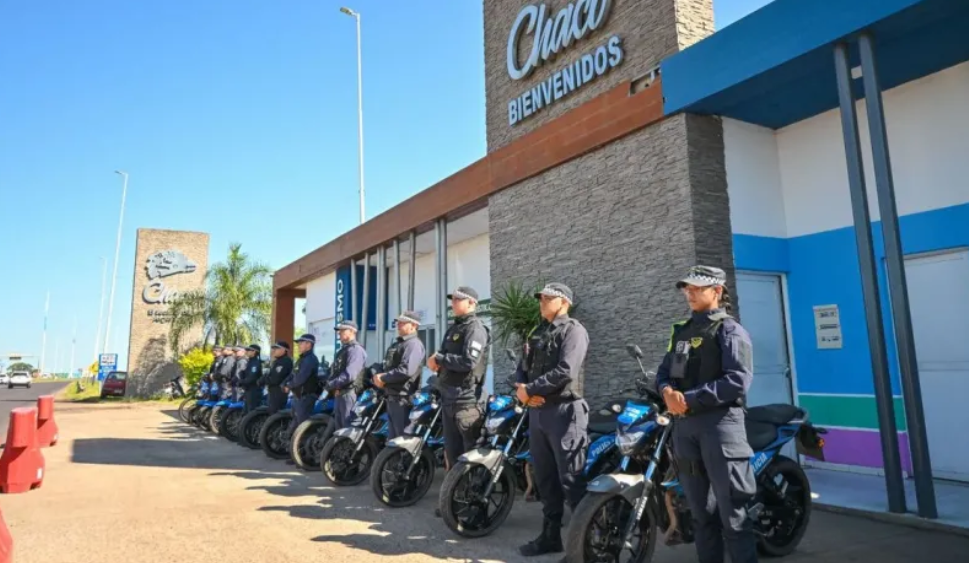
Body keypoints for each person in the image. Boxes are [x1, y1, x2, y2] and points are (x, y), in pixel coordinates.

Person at [656, 265, 757, 563]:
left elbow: (738, 380)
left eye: (697, 288)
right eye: (687, 289)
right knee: (701, 514)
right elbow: (665, 373)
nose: (690, 293)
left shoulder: (729, 330)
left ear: (717, 291)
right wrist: (666, 391)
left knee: (734, 516)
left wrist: (687, 399)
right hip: (685, 429)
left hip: (720, 427)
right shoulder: (683, 333)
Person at [513, 283, 590, 558]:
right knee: (545, 478)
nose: (542, 302)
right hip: (538, 413)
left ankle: (583, 546)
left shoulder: (573, 331)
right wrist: (522, 390)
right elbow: (522, 367)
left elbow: (566, 371)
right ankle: (550, 537)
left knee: (571, 480)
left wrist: (531, 390)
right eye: (541, 298)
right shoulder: (537, 332)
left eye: (548, 298)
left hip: (565, 413)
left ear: (564, 302)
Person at [429, 286, 490, 517]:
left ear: (472, 303)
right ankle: (453, 502)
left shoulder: (475, 329)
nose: (453, 303)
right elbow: (444, 358)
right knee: (452, 454)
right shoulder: (454, 328)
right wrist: (437, 362)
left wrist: (440, 358)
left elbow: (468, 362)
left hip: (466, 400)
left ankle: (475, 508)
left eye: (458, 300)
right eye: (453, 299)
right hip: (449, 396)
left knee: (469, 456)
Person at [372, 310, 426, 439]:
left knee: (401, 441)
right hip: (392, 397)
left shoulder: (413, 344)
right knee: (393, 440)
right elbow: (388, 365)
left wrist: (383, 378)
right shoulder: (398, 344)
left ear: (414, 325)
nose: (399, 325)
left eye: (403, 323)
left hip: (403, 399)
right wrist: (377, 374)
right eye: (398, 322)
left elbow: (406, 370)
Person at [325, 321, 367, 430]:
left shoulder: (356, 350)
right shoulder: (344, 350)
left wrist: (332, 384)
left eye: (343, 330)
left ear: (353, 331)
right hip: (340, 394)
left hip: (349, 394)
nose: (339, 333)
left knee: (347, 429)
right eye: (339, 331)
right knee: (339, 429)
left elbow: (350, 375)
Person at [288, 334, 321, 437]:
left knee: (303, 427)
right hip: (297, 396)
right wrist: (285, 383)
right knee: (296, 423)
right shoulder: (302, 359)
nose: (299, 345)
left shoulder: (310, 359)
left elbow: (300, 378)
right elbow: (292, 374)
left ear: (309, 344)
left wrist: (289, 385)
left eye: (301, 343)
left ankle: (306, 445)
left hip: (305, 397)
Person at [263, 341, 293, 415]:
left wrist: (264, 380)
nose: (274, 350)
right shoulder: (277, 361)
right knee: (271, 413)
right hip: (273, 392)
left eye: (276, 348)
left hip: (279, 393)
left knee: (275, 415)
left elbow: (276, 379)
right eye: (273, 348)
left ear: (283, 350)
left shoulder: (285, 361)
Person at [240, 344, 263, 413]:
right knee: (245, 412)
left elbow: (252, 377)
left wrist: (242, 381)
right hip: (248, 390)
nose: (246, 351)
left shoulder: (256, 363)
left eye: (248, 350)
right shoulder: (250, 362)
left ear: (254, 352)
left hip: (253, 390)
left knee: (251, 412)